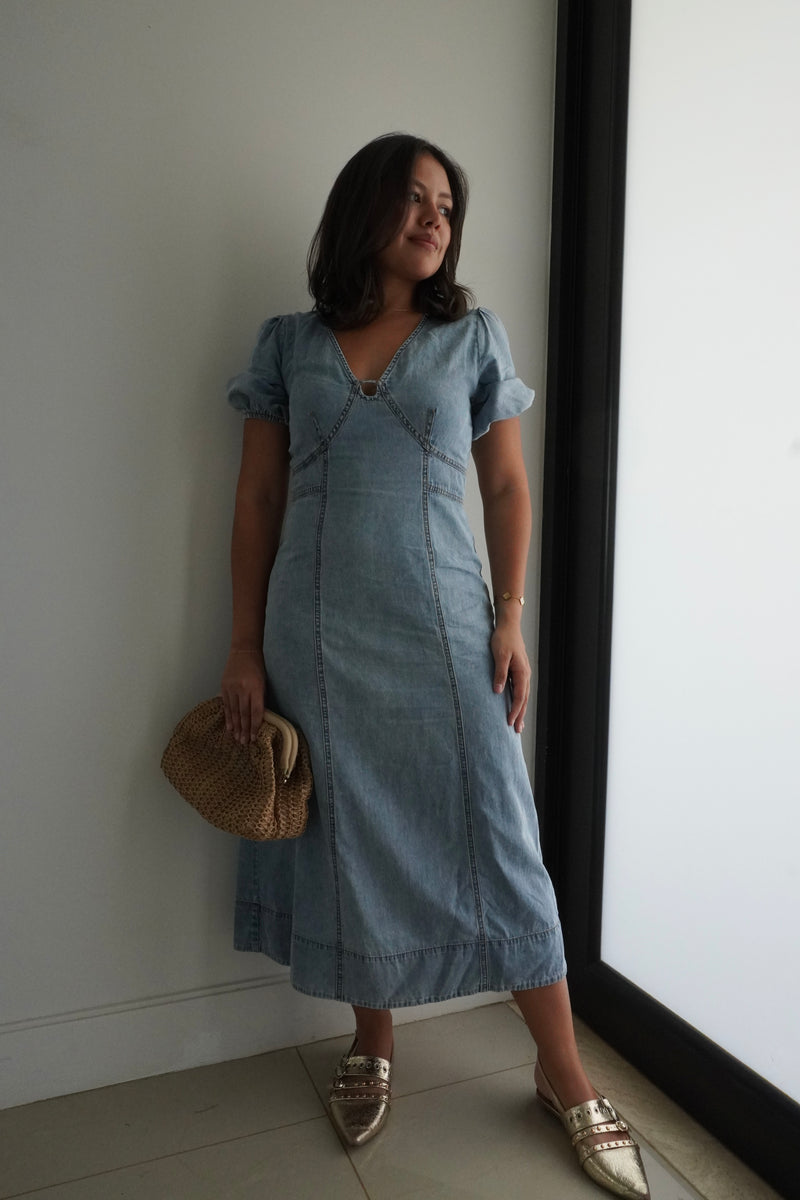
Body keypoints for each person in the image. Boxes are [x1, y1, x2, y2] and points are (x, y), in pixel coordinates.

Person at [221, 133, 649, 1199]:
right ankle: (373, 1040)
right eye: (414, 198)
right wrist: (242, 646)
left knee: (499, 836)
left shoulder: (470, 337)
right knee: (347, 835)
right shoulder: (287, 344)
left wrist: (509, 619)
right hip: (315, 637)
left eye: (447, 207)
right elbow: (259, 499)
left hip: (445, 625)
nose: (433, 220)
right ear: (361, 207)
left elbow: (505, 488)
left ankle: (561, 1069)